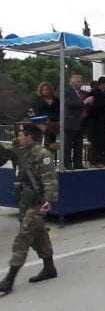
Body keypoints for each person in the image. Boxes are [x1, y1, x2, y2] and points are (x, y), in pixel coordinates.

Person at [0, 124, 59, 295]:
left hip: (37, 202)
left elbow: (50, 180)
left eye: (20, 134)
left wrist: (49, 200)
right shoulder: (20, 151)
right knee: (38, 235)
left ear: (29, 136)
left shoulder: (42, 155)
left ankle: (9, 280)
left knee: (23, 236)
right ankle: (49, 268)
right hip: (24, 201)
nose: (17, 136)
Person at [65, 74, 92, 170]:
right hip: (70, 122)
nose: (80, 83)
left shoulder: (83, 93)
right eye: (78, 81)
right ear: (72, 82)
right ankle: (67, 164)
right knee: (68, 145)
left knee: (78, 145)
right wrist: (84, 102)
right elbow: (70, 104)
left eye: (81, 81)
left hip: (80, 122)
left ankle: (78, 164)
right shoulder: (67, 92)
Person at [32, 81, 60, 148]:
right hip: (42, 121)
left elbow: (59, 111)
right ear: (41, 91)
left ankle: (49, 147)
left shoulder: (56, 100)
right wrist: (43, 120)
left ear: (50, 90)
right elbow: (36, 112)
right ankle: (48, 146)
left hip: (54, 121)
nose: (45, 91)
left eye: (47, 89)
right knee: (47, 129)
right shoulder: (38, 100)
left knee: (52, 127)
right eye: (43, 90)